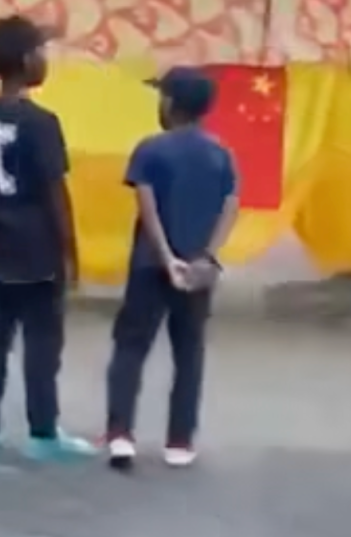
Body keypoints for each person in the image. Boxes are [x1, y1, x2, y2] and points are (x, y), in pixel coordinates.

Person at [0, 16, 96, 461]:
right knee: (42, 339)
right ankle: (43, 431)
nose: (46, 59)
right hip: (37, 244)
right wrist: (71, 252)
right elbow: (54, 192)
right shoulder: (41, 122)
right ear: (25, 61)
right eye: (41, 51)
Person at [105, 66, 239, 470]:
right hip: (198, 271)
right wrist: (207, 258)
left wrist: (167, 257)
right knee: (189, 352)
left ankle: (120, 434)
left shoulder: (151, 149)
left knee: (131, 346)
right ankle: (179, 441)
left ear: (171, 104)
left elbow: (147, 206)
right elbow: (231, 206)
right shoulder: (221, 153)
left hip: (150, 265)